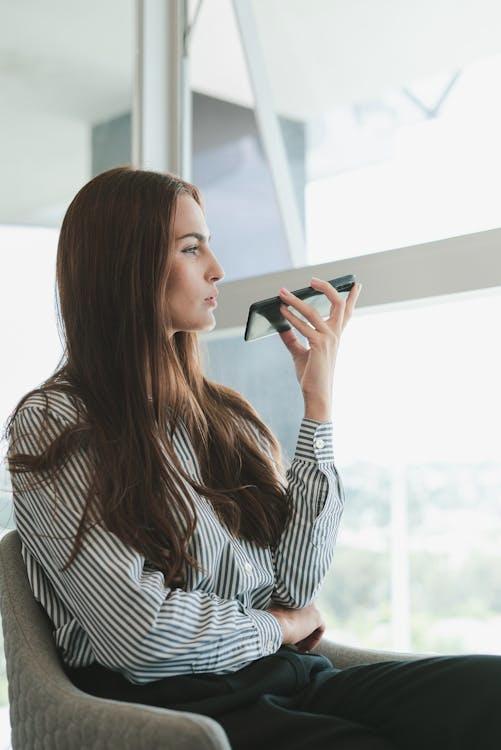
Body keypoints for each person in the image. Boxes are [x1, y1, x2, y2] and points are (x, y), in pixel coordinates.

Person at [5, 166, 500, 750]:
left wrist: (317, 403)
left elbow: (294, 583)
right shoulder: (56, 421)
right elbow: (139, 637)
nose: (217, 269)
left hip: (287, 678)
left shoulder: (219, 416)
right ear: (126, 268)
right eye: (192, 249)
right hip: (181, 707)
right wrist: (278, 628)